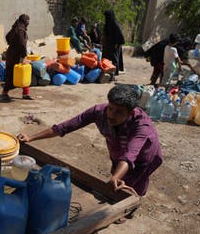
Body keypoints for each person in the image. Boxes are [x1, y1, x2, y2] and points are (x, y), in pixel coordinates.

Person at [17, 84, 162, 205]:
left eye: (119, 112)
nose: (111, 114)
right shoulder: (99, 112)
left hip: (144, 154)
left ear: (130, 113)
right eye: (111, 108)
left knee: (133, 182)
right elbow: (64, 127)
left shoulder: (142, 127)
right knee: (117, 177)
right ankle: (121, 194)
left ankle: (127, 209)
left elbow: (130, 155)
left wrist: (116, 178)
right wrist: (31, 137)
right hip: (118, 150)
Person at [3, 14, 33, 100]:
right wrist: (24, 56)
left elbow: (7, 36)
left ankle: (25, 93)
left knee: (22, 72)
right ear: (25, 21)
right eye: (27, 21)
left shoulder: (15, 28)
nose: (28, 23)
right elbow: (22, 43)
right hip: (16, 55)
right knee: (15, 73)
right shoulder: (20, 30)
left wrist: (11, 44)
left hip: (12, 53)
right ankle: (5, 92)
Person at [102, 10, 125, 82]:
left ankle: (113, 76)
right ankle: (106, 73)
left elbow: (120, 35)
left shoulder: (115, 23)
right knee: (106, 59)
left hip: (115, 45)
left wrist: (117, 44)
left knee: (114, 60)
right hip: (108, 44)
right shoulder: (107, 23)